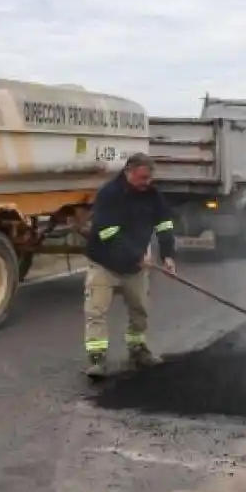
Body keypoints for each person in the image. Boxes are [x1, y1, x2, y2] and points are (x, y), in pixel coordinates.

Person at [83, 153, 177, 378]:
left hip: (135, 268)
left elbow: (164, 225)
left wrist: (168, 255)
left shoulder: (152, 195)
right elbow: (108, 233)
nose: (147, 182)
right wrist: (136, 254)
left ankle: (137, 350)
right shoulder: (109, 194)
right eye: (143, 177)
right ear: (129, 172)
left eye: (149, 178)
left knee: (139, 310)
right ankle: (97, 360)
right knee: (95, 312)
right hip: (104, 263)